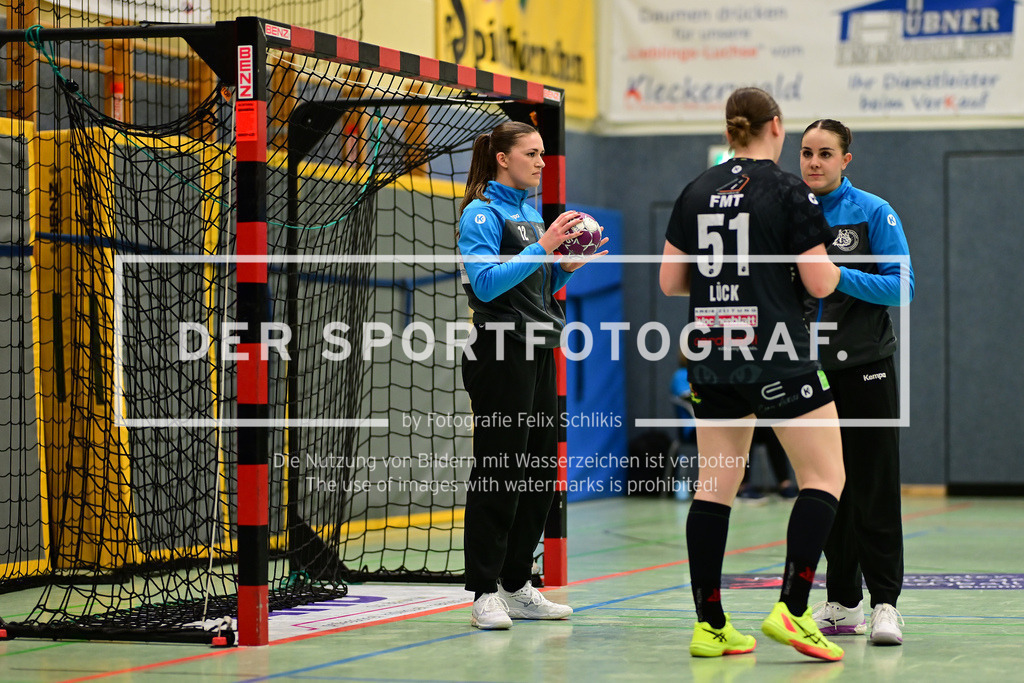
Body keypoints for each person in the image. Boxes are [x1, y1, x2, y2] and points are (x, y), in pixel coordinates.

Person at [660, 87, 847, 661]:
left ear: (729, 129)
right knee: (825, 477)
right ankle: (793, 609)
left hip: (712, 352)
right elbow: (819, 282)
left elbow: (670, 281)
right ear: (777, 126)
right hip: (776, 350)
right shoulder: (789, 190)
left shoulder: (695, 190)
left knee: (714, 485)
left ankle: (710, 625)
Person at [457, 120, 607, 630]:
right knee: (499, 467)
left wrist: (565, 269)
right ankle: (483, 592)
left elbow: (534, 289)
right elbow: (486, 284)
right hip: (500, 349)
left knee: (541, 471)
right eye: (532, 153)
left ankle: (516, 583)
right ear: (503, 158)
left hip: (541, 347)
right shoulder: (482, 213)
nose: (542, 162)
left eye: (543, 153)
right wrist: (543, 248)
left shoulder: (529, 213)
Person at [800, 119, 914, 645]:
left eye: (825, 153)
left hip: (867, 366)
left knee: (874, 485)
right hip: (810, 371)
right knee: (828, 487)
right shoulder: (791, 213)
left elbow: (902, 287)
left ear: (846, 159)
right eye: (806, 152)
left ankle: (885, 603)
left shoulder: (873, 211)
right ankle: (843, 602)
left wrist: (837, 275)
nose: (814, 162)